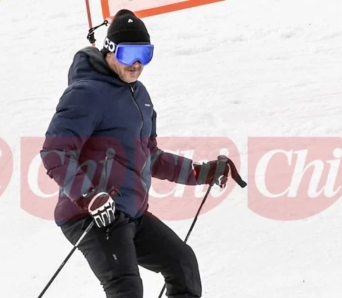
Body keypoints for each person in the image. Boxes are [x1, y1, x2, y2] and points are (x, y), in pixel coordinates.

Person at [39, 9, 234, 298]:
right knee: (126, 288)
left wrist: (199, 172)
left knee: (182, 264)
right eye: (130, 54)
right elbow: (55, 151)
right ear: (111, 49)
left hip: (130, 213)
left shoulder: (139, 96)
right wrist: (90, 195)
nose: (137, 64)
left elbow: (150, 156)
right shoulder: (85, 94)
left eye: (145, 54)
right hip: (90, 215)